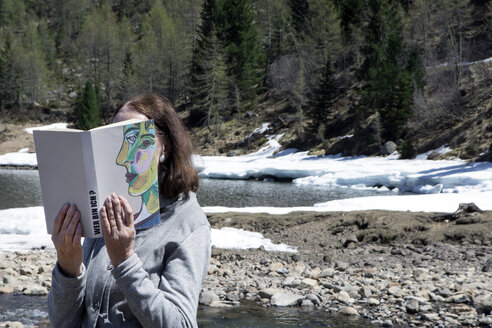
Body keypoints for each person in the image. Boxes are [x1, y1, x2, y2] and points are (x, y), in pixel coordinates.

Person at [48, 94, 211, 327]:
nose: (123, 156)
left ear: (165, 147)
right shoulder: (104, 208)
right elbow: (63, 322)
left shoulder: (189, 223)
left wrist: (124, 261)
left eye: (136, 139)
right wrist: (69, 270)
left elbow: (181, 323)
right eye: (116, 141)